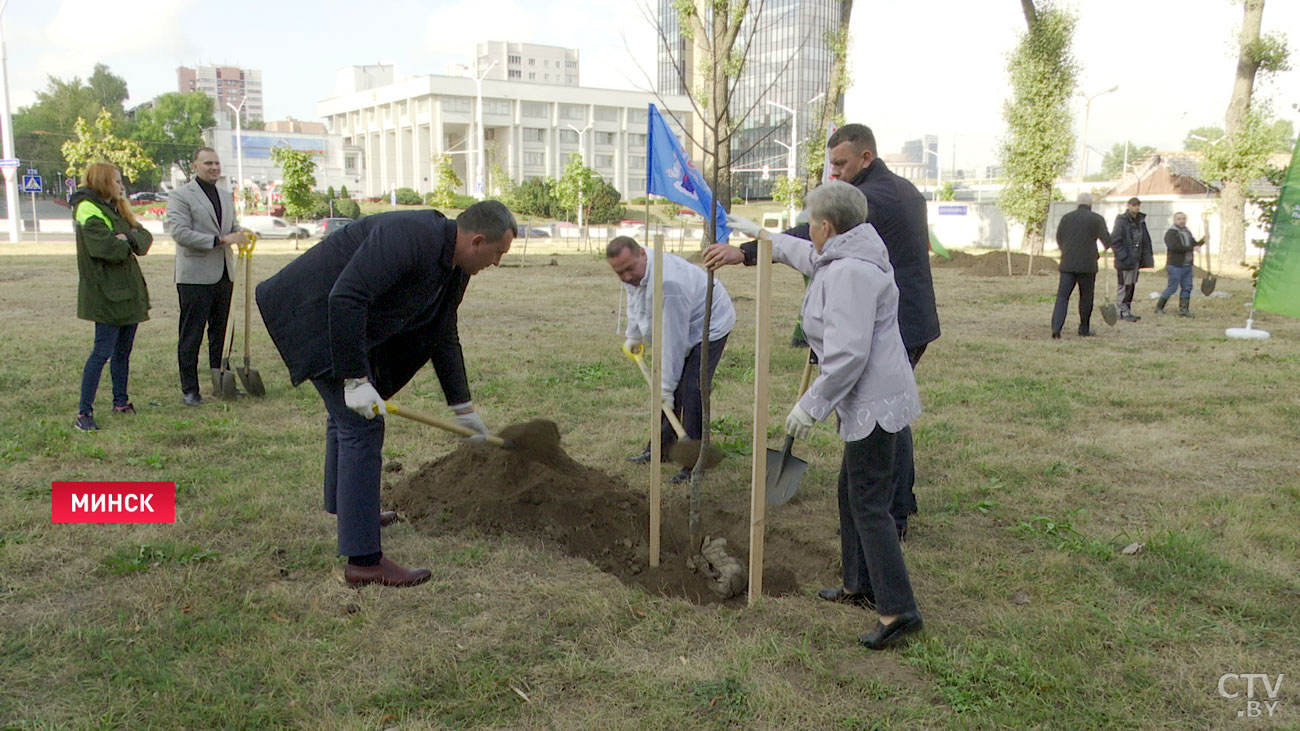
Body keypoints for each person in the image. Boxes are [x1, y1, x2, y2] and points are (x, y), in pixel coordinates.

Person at [256, 201, 516, 588]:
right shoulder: (411, 236)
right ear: (477, 241)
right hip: (311, 313)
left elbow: (443, 332)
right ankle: (363, 561)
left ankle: (348, 509)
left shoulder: (455, 266)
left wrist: (463, 407)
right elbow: (346, 297)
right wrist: (355, 380)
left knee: (346, 420)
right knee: (362, 425)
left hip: (347, 320)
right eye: (497, 254)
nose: (496, 263)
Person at [703, 123, 939, 540]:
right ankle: (901, 501)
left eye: (841, 164)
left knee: (880, 419)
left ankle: (888, 514)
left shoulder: (866, 200)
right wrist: (762, 237)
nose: (835, 173)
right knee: (892, 417)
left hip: (885, 321)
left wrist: (748, 250)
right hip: (909, 313)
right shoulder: (907, 190)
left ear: (866, 157)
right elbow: (810, 246)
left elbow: (814, 238)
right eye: (832, 164)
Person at [719, 182, 924, 649]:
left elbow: (849, 354)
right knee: (851, 493)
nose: (808, 230)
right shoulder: (844, 253)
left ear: (827, 227)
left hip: (874, 401)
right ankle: (859, 584)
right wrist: (764, 240)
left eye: (811, 222)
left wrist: (809, 407)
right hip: (870, 398)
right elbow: (806, 256)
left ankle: (898, 610)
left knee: (870, 504)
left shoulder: (851, 272)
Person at [610, 236, 735, 483]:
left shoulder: (669, 284)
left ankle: (694, 462)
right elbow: (635, 300)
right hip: (681, 321)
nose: (624, 277)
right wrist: (633, 334)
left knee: (692, 388)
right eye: (619, 272)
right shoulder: (634, 271)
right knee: (671, 387)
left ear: (642, 255)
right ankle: (661, 448)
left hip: (709, 324)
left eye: (628, 269)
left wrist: (666, 388)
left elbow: (673, 343)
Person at [71, 162, 154, 432]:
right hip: (105, 294)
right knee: (101, 352)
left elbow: (144, 238)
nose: (121, 186)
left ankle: (121, 401)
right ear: (103, 182)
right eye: (117, 181)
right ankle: (84, 413)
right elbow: (106, 248)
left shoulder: (116, 207)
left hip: (127, 293)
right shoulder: (87, 208)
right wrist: (125, 240)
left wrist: (126, 238)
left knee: (123, 352)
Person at [166, 147, 246, 407]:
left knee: (222, 334)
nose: (214, 167)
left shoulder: (224, 196)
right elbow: (180, 233)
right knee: (192, 334)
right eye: (208, 163)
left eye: (217, 162)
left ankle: (220, 381)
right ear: (195, 166)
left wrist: (240, 233)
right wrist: (219, 239)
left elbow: (230, 227)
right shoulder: (180, 196)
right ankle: (190, 389)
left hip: (225, 273)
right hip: (195, 277)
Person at [1050, 192, 1113, 338]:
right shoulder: (1097, 219)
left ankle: (1056, 328)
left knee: (1062, 296)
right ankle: (1083, 329)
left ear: (1077, 203)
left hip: (1067, 264)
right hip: (1087, 265)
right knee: (1086, 297)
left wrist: (1066, 251)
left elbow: (1059, 238)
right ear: (1091, 204)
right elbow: (1107, 242)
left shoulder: (1066, 218)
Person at [1109, 197, 1154, 322]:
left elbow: (1145, 240)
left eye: (1138, 205)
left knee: (1131, 286)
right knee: (1124, 286)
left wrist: (1145, 257)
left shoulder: (1140, 221)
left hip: (1136, 260)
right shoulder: (1122, 221)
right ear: (1128, 206)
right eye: (1134, 205)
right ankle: (1122, 312)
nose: (1136, 207)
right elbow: (1115, 241)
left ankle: (1127, 310)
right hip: (1125, 261)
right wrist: (1124, 257)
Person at [1158, 212, 1207, 317]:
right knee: (1173, 287)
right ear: (1174, 220)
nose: (1181, 221)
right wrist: (1192, 248)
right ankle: (1159, 307)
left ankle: (1184, 310)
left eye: (1183, 219)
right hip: (1175, 265)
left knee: (1187, 287)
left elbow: (1194, 244)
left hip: (1187, 265)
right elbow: (1174, 247)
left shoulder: (1187, 232)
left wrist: (1203, 240)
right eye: (1179, 219)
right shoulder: (1171, 233)